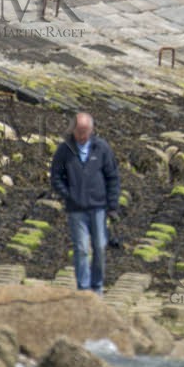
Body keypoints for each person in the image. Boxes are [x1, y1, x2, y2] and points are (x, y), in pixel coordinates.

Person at [48, 112, 120, 293]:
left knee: (100, 248)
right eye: (78, 131)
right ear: (73, 130)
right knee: (81, 249)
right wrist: (68, 195)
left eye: (85, 132)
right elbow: (56, 177)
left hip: (98, 208)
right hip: (76, 210)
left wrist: (113, 206)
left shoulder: (102, 148)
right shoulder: (64, 150)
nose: (81, 136)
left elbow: (112, 177)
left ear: (91, 130)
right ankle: (84, 289)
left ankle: (97, 288)